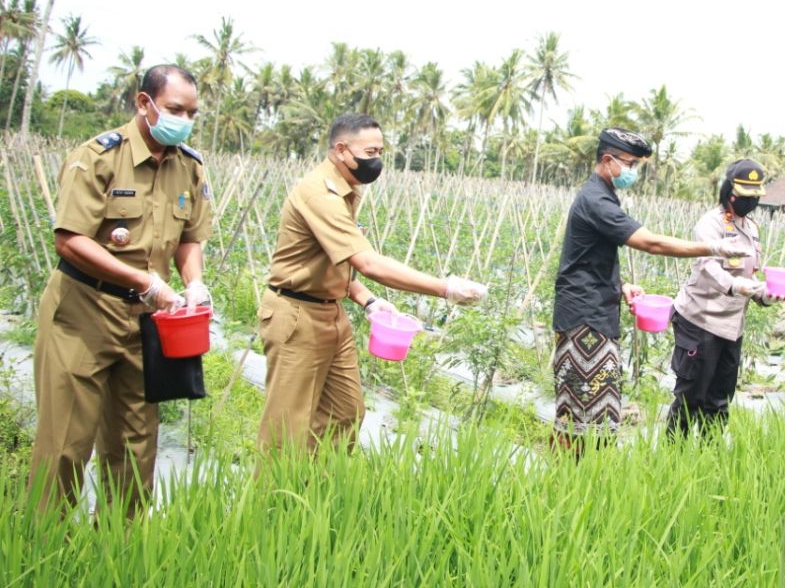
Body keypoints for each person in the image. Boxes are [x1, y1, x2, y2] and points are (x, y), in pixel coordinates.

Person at [30, 64, 211, 516]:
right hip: (83, 311)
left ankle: (119, 547)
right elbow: (70, 240)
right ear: (144, 103)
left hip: (148, 322)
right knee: (66, 445)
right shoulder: (97, 157)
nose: (184, 120)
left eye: (191, 112)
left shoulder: (188, 167)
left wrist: (193, 283)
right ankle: (42, 545)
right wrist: (145, 280)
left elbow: (190, 238)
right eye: (174, 109)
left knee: (135, 445)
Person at [257, 113, 487, 453]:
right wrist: (445, 288)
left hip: (330, 314)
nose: (376, 161)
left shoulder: (348, 191)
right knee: (287, 428)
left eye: (379, 151)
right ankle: (273, 501)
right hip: (296, 315)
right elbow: (366, 262)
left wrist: (368, 300)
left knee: (345, 412)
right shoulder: (320, 193)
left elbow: (332, 261)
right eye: (369, 152)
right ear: (341, 150)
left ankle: (315, 494)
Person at [551, 128, 754, 453]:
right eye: (630, 164)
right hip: (583, 319)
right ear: (608, 160)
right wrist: (713, 248)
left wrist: (620, 287)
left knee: (597, 412)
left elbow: (586, 260)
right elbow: (651, 243)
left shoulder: (603, 196)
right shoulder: (595, 200)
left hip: (594, 313)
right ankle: (567, 483)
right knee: (580, 415)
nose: (633, 172)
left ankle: (585, 481)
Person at [666, 159, 785, 438]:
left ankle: (711, 455)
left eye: (755, 195)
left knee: (719, 398)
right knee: (690, 397)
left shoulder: (752, 228)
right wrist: (734, 286)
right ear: (729, 191)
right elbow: (707, 266)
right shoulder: (711, 223)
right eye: (745, 195)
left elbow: (749, 273)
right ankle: (673, 459)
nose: (751, 200)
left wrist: (764, 294)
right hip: (701, 319)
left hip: (732, 326)